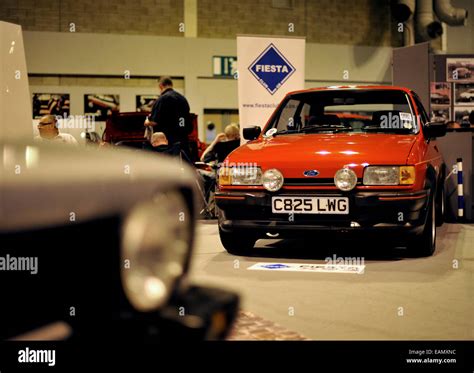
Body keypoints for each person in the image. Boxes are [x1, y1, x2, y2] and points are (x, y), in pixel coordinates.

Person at [144, 76, 192, 159]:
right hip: (183, 141)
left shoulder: (162, 99)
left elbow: (154, 122)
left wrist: (146, 122)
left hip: (168, 145)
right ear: (171, 85)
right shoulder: (183, 99)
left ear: (160, 86)